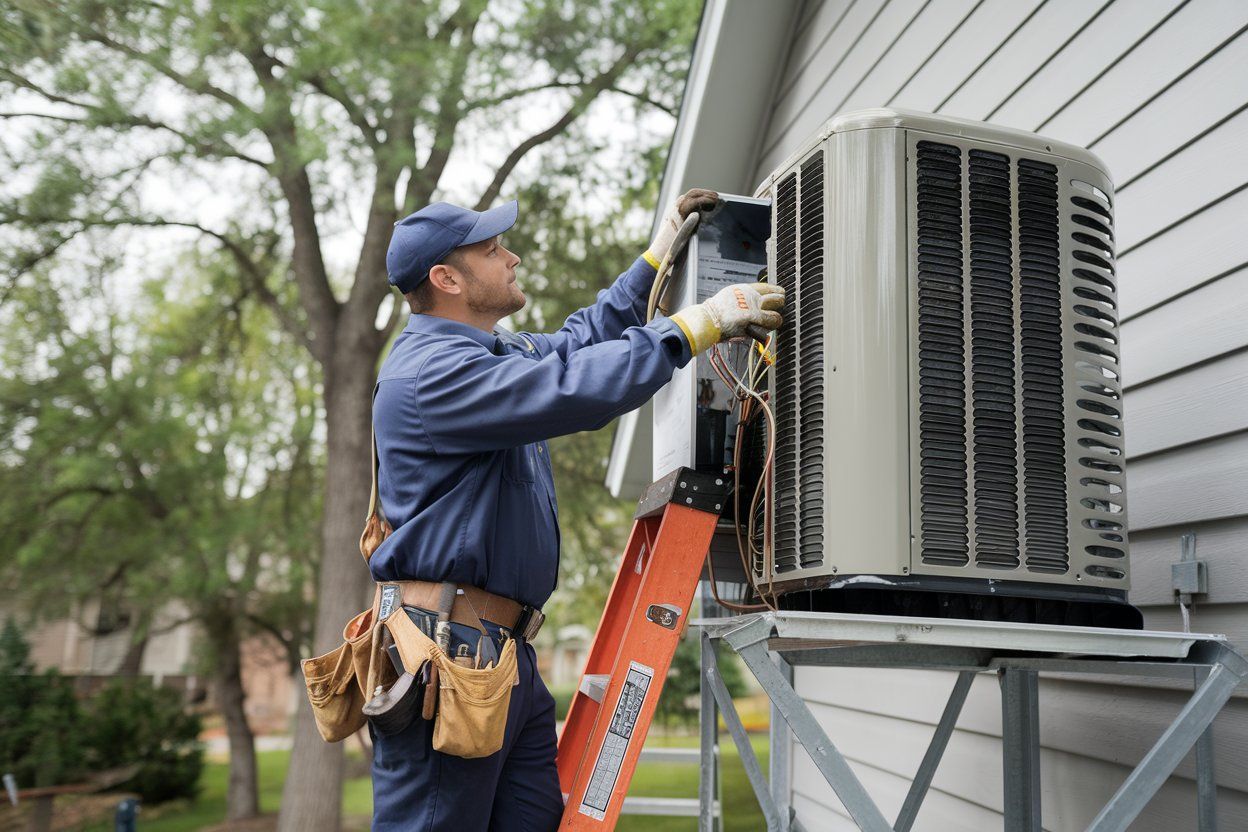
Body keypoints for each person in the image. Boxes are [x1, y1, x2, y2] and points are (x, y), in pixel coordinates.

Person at [367, 189, 784, 831]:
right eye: (492, 248)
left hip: (500, 657)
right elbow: (572, 388)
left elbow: (579, 341)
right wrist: (695, 327)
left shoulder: (488, 355)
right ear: (446, 279)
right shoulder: (428, 374)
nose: (512, 257)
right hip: (448, 657)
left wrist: (656, 256)